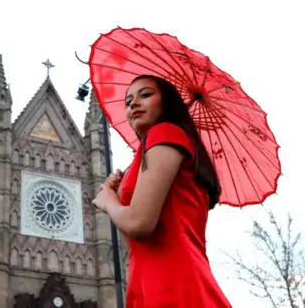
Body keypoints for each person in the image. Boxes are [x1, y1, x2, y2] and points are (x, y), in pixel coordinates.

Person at [92, 75, 232, 308]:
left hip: (170, 282)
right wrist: (119, 197)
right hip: (153, 280)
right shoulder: (151, 151)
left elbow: (139, 224)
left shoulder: (166, 133)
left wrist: (109, 203)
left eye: (145, 95)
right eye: (128, 102)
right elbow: (138, 243)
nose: (134, 103)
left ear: (167, 103)